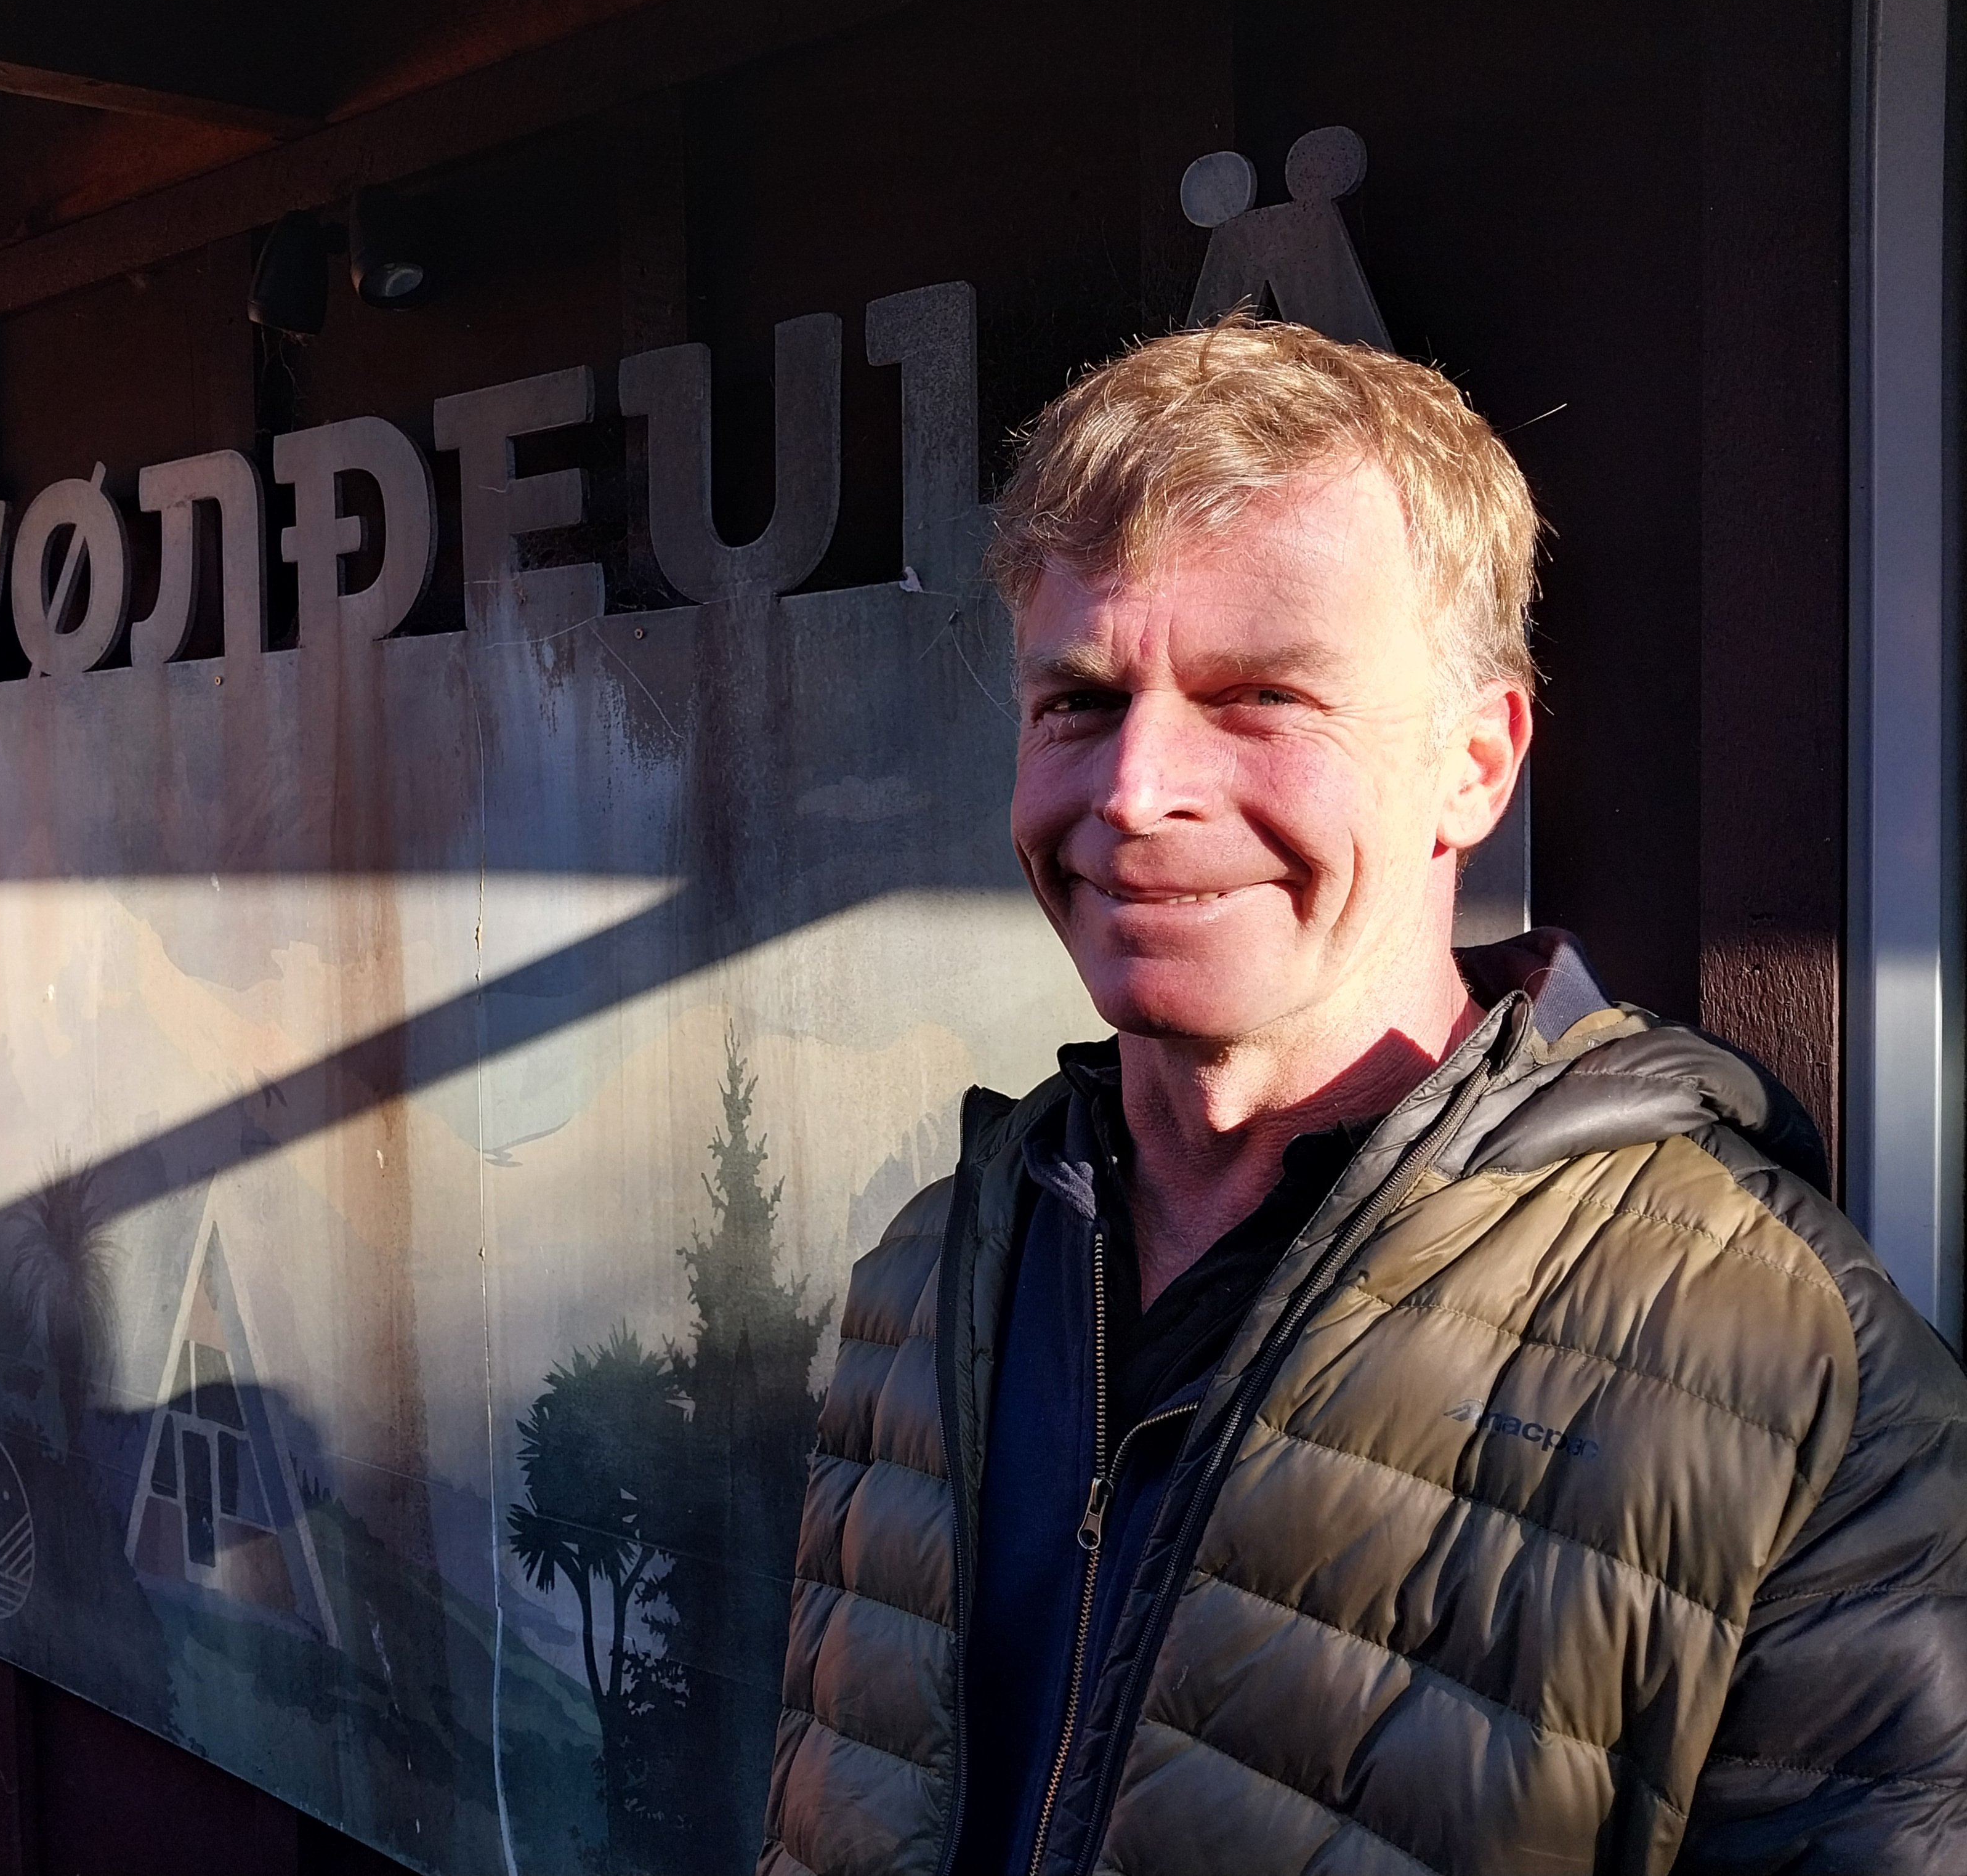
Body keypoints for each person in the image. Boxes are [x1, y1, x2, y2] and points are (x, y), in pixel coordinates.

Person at [760, 315, 1967, 1876]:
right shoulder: (925, 1276)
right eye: (1078, 701)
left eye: (1259, 696)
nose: (1134, 792)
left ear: (1478, 761)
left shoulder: (1789, 1374)